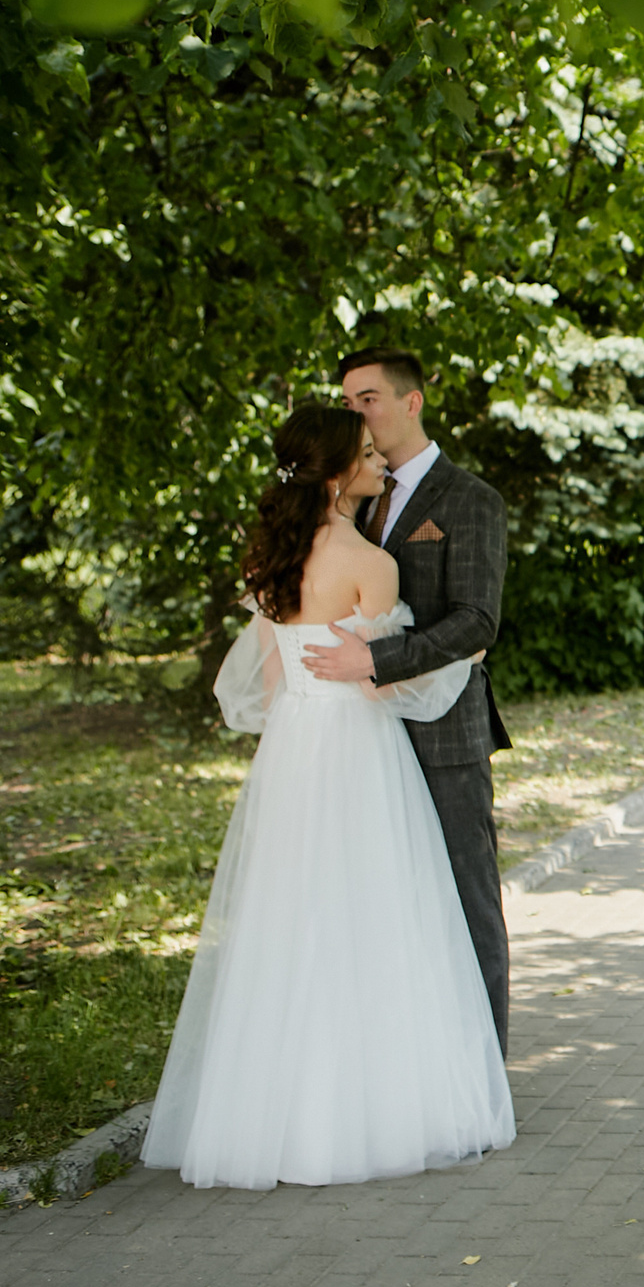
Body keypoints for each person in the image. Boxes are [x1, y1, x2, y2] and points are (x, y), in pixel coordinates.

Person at [143, 405, 513, 1190]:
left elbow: (272, 680)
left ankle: (277, 1117)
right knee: (375, 916)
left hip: (292, 753)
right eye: (369, 456)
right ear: (339, 473)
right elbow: (394, 682)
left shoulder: (271, 561)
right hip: (354, 747)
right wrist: (420, 662)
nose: (380, 463)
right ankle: (371, 1107)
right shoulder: (370, 564)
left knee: (291, 922)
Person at [304, 348, 515, 1053]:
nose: (354, 411)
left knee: (465, 899)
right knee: (382, 902)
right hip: (363, 738)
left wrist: (378, 656)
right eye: (347, 399)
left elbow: (476, 618)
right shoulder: (349, 501)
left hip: (445, 732)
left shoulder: (470, 499)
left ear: (411, 402)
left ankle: (484, 1070)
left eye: (367, 397)